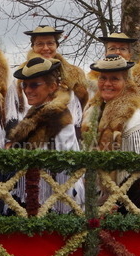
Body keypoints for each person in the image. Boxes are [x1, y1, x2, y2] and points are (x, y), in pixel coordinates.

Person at [7, 57, 84, 210]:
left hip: (54, 201)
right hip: (36, 196)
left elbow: (67, 166)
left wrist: (62, 205)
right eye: (25, 85)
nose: (28, 90)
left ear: (52, 87)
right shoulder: (35, 113)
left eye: (34, 85)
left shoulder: (59, 117)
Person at [18, 25, 88, 126]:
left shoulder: (75, 75)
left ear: (57, 45)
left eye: (50, 43)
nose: (46, 48)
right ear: (33, 47)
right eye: (40, 44)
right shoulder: (22, 77)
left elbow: (81, 109)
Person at [82, 55, 140, 153]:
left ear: (126, 82)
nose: (107, 84)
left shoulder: (134, 119)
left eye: (114, 79)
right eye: (103, 78)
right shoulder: (93, 110)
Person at [91, 32, 140, 122]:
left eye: (123, 49)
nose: (117, 52)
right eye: (112, 48)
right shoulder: (91, 86)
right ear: (105, 53)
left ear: (129, 55)